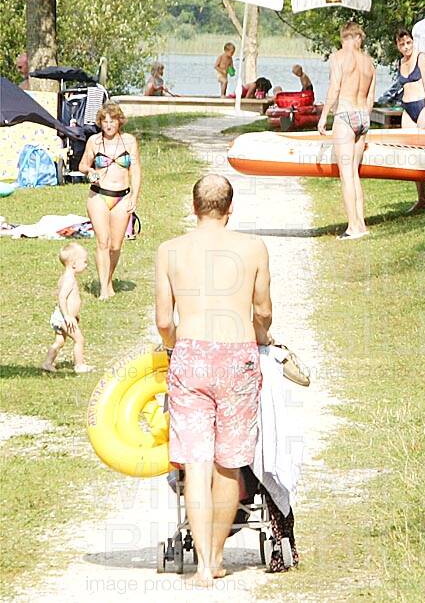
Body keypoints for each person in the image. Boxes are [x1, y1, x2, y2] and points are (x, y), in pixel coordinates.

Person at [156, 174, 274, 585]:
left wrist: (175, 346)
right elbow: (263, 311)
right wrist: (261, 334)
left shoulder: (169, 251)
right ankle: (218, 556)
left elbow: (163, 320)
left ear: (194, 207)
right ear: (230, 208)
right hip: (237, 356)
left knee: (196, 462)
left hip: (191, 356)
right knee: (229, 463)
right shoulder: (253, 248)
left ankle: (202, 564)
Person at [318, 22, 376, 239]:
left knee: (346, 175)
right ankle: (361, 224)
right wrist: (364, 117)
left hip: (345, 115)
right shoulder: (369, 62)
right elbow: (370, 98)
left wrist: (324, 116)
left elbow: (334, 88)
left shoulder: (338, 57)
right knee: (354, 173)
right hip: (363, 116)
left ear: (345, 37)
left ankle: (353, 227)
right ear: (359, 38)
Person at [79, 103, 140, 299]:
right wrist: (90, 171)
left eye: (112, 121)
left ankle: (108, 280)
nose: (108, 125)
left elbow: (136, 171)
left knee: (115, 246)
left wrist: (134, 197)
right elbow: (82, 165)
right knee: (103, 242)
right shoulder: (94, 141)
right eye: (104, 121)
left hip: (122, 197)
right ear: (100, 123)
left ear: (119, 121)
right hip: (99, 195)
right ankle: (104, 290)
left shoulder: (129, 141)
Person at [392, 27, 425, 211]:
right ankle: (422, 198)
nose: (406, 47)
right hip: (408, 108)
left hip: (423, 105)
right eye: (402, 44)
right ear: (397, 46)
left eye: (408, 43)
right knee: (412, 153)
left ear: (413, 42)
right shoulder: (400, 62)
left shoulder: (421, 58)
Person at [42, 242, 92, 373]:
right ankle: (79, 365)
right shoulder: (69, 279)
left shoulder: (65, 277)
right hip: (64, 318)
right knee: (79, 340)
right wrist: (68, 316)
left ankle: (47, 363)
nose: (86, 265)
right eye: (84, 262)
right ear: (74, 264)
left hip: (61, 316)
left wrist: (74, 315)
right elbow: (62, 298)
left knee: (59, 342)